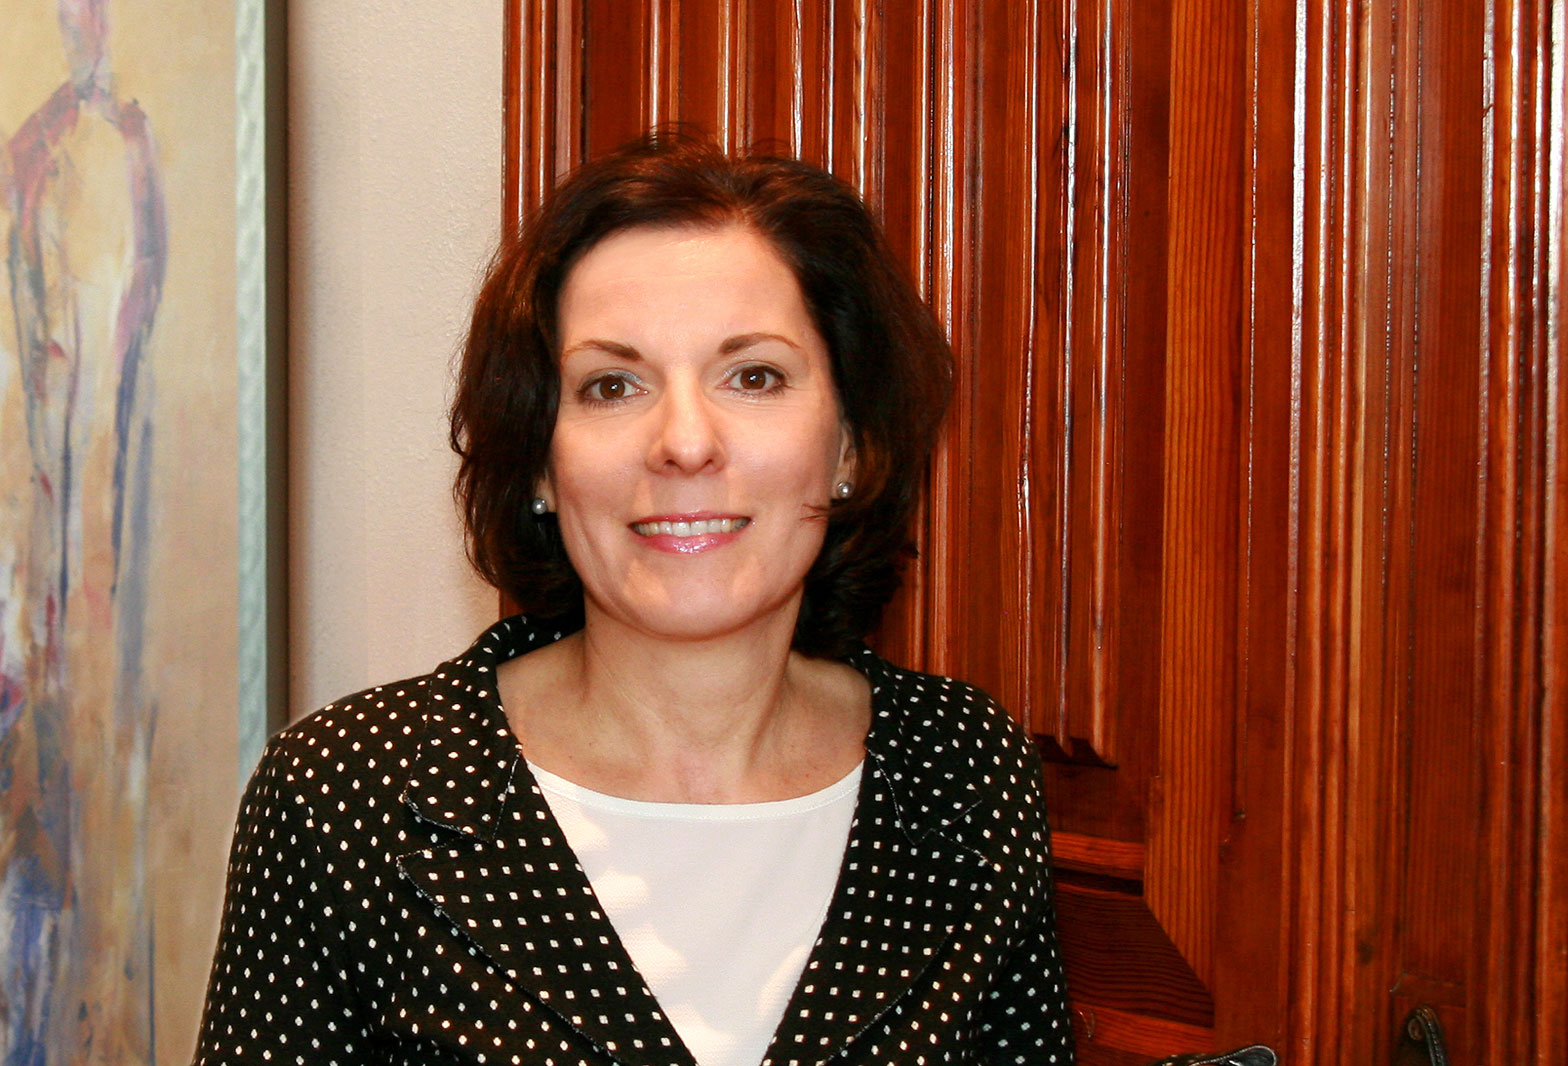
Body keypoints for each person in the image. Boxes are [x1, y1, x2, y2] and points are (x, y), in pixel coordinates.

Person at [193, 130, 1073, 1066]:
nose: (684, 443)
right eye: (612, 385)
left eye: (754, 376)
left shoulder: (964, 772)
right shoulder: (347, 793)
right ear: (540, 459)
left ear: (850, 443)